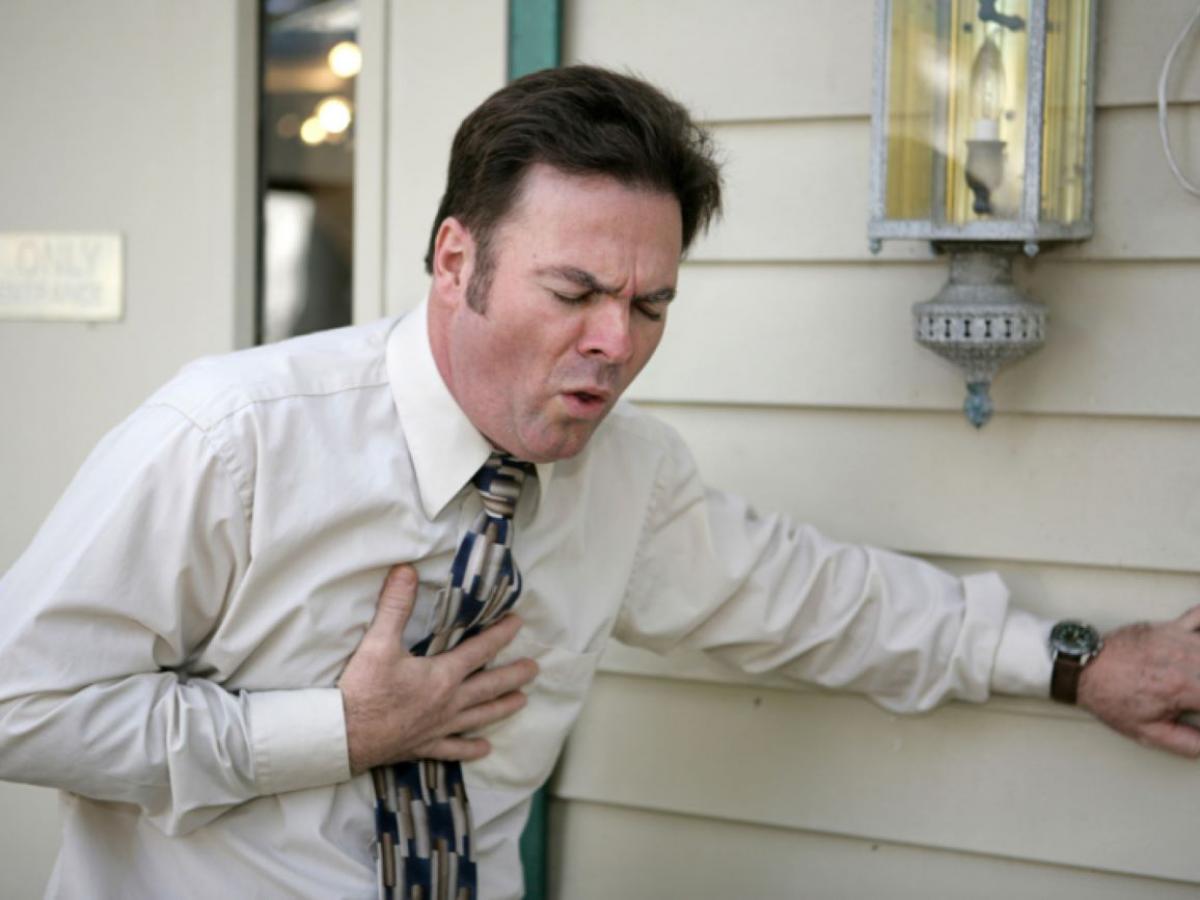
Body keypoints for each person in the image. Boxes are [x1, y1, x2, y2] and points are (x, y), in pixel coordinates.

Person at [2, 65, 1200, 900]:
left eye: (651, 304)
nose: (616, 344)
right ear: (456, 260)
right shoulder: (234, 438)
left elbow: (820, 600)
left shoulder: (629, 480)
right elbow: (22, 705)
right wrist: (335, 731)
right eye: (575, 293)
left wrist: (1077, 663)